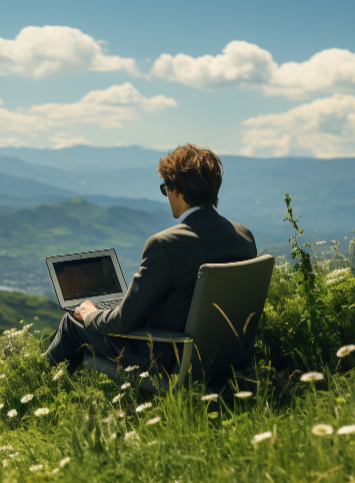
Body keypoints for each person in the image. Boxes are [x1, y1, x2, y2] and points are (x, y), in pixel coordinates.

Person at [45, 143, 257, 375]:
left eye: (166, 188)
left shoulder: (165, 244)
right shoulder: (243, 236)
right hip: (224, 356)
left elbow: (123, 322)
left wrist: (91, 314)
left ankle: (33, 388)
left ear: (175, 190)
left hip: (167, 358)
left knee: (72, 324)